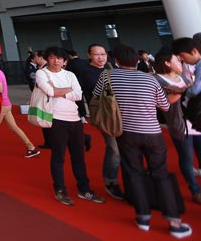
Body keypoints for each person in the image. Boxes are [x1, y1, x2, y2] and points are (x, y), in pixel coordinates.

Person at [93, 44, 190, 237]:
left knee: (134, 173)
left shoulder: (107, 76)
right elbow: (164, 106)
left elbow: (96, 98)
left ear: (116, 61)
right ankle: (174, 222)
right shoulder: (150, 79)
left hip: (125, 133)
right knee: (161, 174)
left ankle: (143, 217)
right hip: (153, 133)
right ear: (137, 61)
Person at [36, 46, 103, 206]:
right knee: (58, 156)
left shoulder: (70, 74)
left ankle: (84, 189)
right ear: (47, 59)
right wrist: (66, 90)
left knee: (78, 156)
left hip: (74, 119)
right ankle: (60, 189)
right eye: (52, 57)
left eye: (60, 58)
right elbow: (50, 92)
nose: (56, 61)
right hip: (55, 119)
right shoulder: (42, 73)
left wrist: (58, 90)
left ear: (65, 61)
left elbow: (78, 95)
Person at [154, 48, 201, 208]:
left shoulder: (182, 77)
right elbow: (163, 103)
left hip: (197, 123)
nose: (181, 62)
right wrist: (184, 91)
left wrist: (186, 89)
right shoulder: (158, 80)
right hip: (179, 125)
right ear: (167, 63)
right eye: (177, 60)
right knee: (186, 159)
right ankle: (196, 191)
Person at [72, 44, 122, 200]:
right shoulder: (85, 72)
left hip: (120, 113)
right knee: (114, 148)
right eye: (96, 54)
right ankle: (111, 181)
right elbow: (88, 93)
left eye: (103, 54)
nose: (100, 57)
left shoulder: (111, 68)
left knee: (124, 147)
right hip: (104, 115)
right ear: (89, 55)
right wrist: (81, 114)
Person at [173, 36, 201, 200]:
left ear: (194, 51)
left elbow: (196, 90)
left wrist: (185, 92)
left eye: (183, 56)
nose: (183, 60)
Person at [0, 56, 39, 158]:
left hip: (0, 104)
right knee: (14, 127)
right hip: (6, 104)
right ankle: (30, 147)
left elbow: (0, 89)